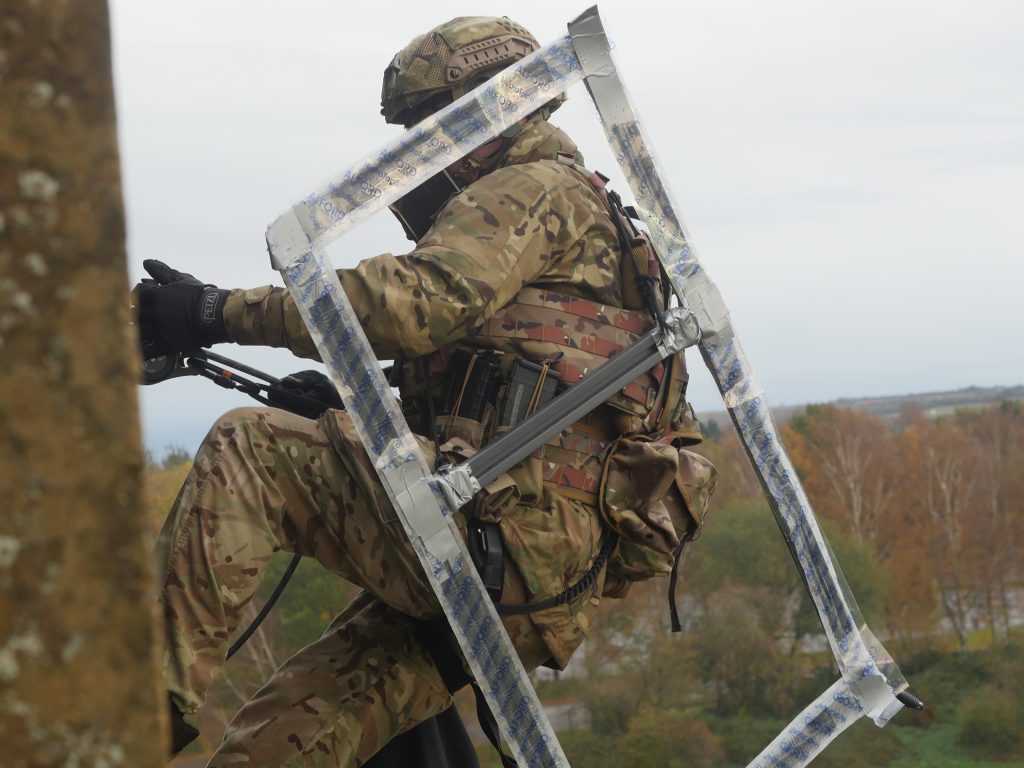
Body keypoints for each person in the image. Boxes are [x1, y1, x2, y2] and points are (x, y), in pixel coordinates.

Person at [136, 15, 712, 767]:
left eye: (425, 129)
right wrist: (356, 409)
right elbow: (524, 399)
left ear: (481, 110)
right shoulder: (599, 222)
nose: (413, 158)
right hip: (528, 585)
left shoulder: (533, 187)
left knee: (247, 452)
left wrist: (217, 313)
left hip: (494, 546)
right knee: (272, 749)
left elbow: (411, 303)